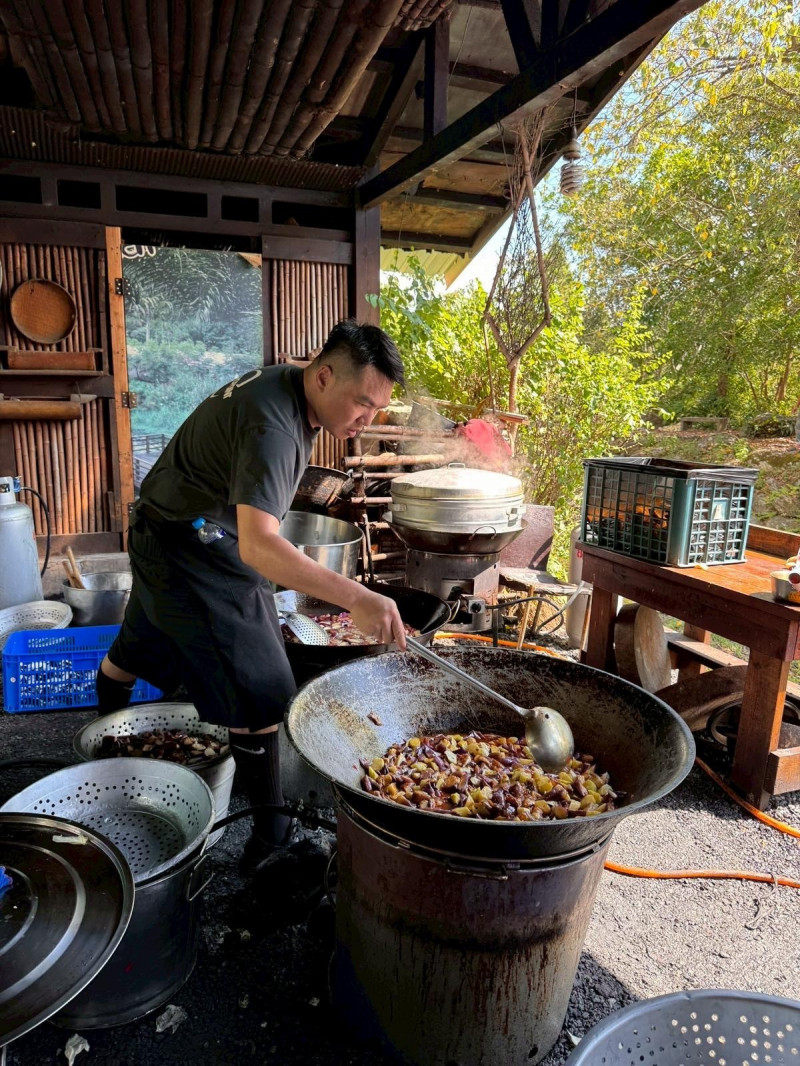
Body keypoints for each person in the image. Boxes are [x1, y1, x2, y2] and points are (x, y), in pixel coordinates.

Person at [95, 320, 407, 869]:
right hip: (187, 544)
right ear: (326, 376)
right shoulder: (277, 426)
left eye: (378, 409)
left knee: (137, 649)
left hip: (163, 525)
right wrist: (355, 596)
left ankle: (99, 763)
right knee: (263, 686)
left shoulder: (288, 383)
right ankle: (270, 841)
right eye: (363, 404)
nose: (368, 419)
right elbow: (260, 551)